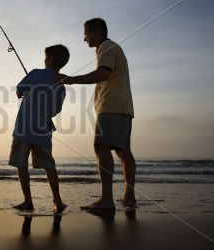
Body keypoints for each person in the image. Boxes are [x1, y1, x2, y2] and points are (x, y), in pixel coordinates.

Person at [57, 18, 136, 211]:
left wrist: (72, 79)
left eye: (86, 33)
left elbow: (103, 74)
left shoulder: (106, 46)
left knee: (101, 146)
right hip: (124, 107)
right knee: (123, 152)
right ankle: (129, 196)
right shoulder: (113, 47)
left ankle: (106, 199)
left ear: (96, 32)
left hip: (111, 106)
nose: (84, 38)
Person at [9, 44, 69, 213]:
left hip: (23, 128)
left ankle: (28, 201)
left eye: (45, 57)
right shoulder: (61, 85)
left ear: (49, 59)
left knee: (21, 164)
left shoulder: (35, 73)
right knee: (49, 165)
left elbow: (18, 92)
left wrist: (28, 91)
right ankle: (57, 201)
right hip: (42, 130)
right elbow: (55, 111)